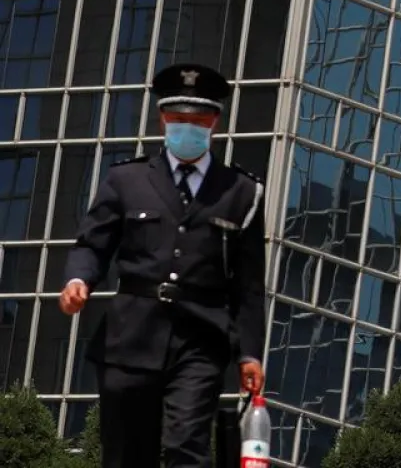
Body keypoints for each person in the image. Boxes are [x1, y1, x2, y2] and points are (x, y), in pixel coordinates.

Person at [60, 63, 268, 468]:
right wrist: (77, 279)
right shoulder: (127, 180)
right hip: (130, 336)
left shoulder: (242, 192)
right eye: (177, 120)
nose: (187, 128)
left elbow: (248, 282)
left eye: (198, 121)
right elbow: (93, 243)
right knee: (125, 454)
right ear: (162, 120)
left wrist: (250, 353)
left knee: (187, 445)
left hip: (200, 336)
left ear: (214, 122)